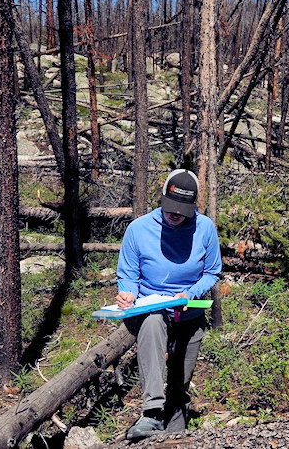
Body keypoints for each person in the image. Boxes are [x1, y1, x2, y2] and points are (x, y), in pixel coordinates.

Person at [116, 169, 222, 439]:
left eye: (182, 210)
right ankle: (151, 412)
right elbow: (128, 274)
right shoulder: (138, 229)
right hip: (149, 308)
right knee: (152, 323)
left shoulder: (205, 228)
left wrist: (190, 293)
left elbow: (212, 272)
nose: (175, 214)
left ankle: (175, 434)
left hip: (188, 311)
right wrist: (127, 293)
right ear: (162, 199)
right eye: (170, 208)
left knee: (179, 383)